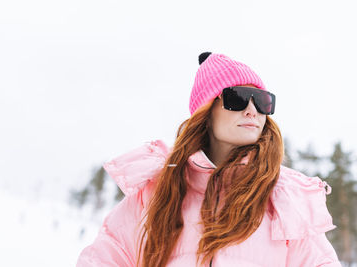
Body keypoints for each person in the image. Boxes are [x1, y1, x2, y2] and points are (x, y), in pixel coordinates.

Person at [76, 52, 341, 266]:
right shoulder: (157, 191)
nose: (252, 110)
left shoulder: (284, 198)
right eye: (236, 99)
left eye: (262, 101)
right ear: (206, 111)